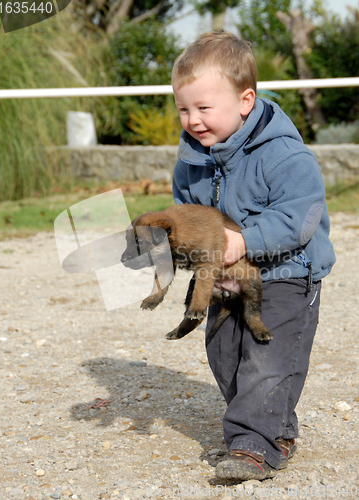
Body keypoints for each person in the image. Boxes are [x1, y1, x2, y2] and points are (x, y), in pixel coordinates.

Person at [171, 31, 336, 481]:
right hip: (225, 274)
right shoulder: (191, 161)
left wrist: (244, 241)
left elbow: (300, 218)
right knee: (224, 352)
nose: (193, 119)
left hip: (287, 272)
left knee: (267, 357)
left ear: (245, 101)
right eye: (184, 108)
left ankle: (253, 445)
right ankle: (274, 427)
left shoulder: (283, 155)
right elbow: (187, 212)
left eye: (204, 108)